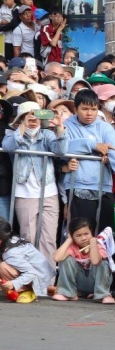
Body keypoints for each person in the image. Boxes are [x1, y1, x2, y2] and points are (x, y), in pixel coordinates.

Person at [2, 101, 66, 261]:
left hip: (49, 193)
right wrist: (22, 126)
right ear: (20, 119)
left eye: (36, 114)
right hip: (24, 194)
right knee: (28, 238)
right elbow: (8, 146)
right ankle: (32, 280)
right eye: (27, 114)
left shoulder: (47, 135)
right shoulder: (12, 135)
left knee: (49, 239)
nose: (32, 117)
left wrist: (59, 127)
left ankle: (48, 282)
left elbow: (61, 151)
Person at [62, 88, 115, 234]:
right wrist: (94, 145)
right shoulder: (66, 125)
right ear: (75, 109)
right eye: (84, 109)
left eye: (93, 109)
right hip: (78, 186)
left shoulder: (105, 127)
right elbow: (64, 147)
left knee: (106, 234)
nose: (89, 113)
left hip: (104, 186)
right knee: (82, 234)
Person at [53, 217, 114, 303]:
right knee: (66, 260)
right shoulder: (73, 246)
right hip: (79, 283)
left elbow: (96, 261)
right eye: (78, 235)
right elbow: (57, 258)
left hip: (96, 283)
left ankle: (103, 294)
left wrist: (93, 244)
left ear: (91, 232)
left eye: (86, 234)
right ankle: (68, 293)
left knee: (102, 262)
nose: (83, 238)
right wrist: (69, 240)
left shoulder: (98, 245)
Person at [0, 217, 54, 302]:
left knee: (2, 267)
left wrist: (13, 283)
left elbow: (31, 273)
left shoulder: (11, 253)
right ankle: (48, 289)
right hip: (39, 276)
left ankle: (27, 291)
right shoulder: (11, 239)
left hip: (36, 278)